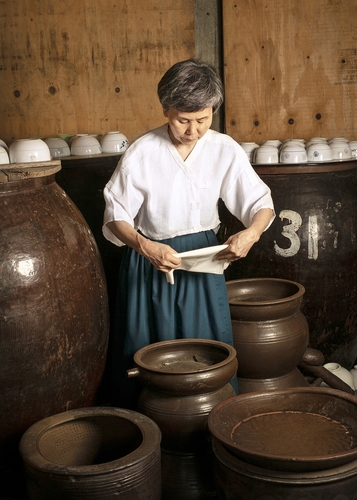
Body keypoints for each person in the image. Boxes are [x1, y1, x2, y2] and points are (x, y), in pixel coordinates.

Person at [103, 58, 275, 408]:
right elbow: (114, 216)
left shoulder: (224, 149)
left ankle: (210, 426)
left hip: (203, 260)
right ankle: (147, 435)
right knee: (148, 351)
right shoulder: (142, 152)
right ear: (166, 109)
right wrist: (144, 245)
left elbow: (261, 203)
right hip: (150, 260)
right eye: (183, 119)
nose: (193, 130)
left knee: (207, 350)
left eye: (203, 119)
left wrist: (251, 233)